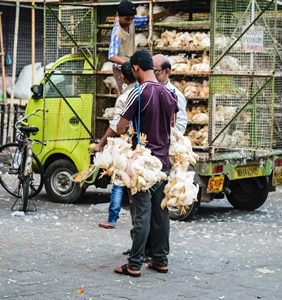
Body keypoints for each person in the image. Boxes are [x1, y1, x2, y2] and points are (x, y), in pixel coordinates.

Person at [112, 50, 178, 277]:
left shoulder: (138, 92)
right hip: (164, 163)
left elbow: (121, 128)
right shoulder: (170, 93)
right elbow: (172, 123)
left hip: (142, 164)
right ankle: (160, 260)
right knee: (161, 214)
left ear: (137, 68)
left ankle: (134, 264)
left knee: (140, 214)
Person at [95, 61, 137, 229]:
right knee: (138, 184)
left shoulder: (124, 98)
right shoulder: (147, 91)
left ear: (124, 77)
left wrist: (100, 144)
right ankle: (139, 220)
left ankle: (112, 219)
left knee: (119, 181)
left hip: (126, 145)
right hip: (143, 144)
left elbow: (116, 126)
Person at [109, 0, 171, 93]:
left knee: (138, 92)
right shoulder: (116, 33)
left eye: (131, 18)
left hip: (133, 67)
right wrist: (128, 64)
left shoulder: (132, 21)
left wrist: (165, 13)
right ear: (119, 16)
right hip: (122, 69)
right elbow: (112, 56)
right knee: (127, 93)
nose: (129, 21)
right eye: (127, 19)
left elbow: (147, 19)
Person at [152, 54, 188, 133]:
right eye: (149, 71)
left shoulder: (176, 95)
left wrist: (161, 135)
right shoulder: (148, 91)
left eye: (154, 71)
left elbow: (180, 126)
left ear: (166, 72)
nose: (150, 75)